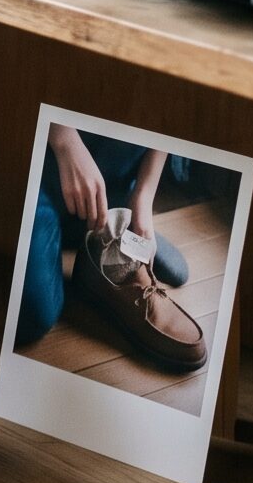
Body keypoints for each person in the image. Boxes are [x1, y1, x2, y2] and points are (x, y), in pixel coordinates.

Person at [14, 122, 188, 347]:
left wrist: (144, 197)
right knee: (32, 317)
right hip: (46, 161)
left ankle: (104, 222)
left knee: (178, 273)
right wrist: (66, 142)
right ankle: (94, 230)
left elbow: (170, 113)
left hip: (115, 166)